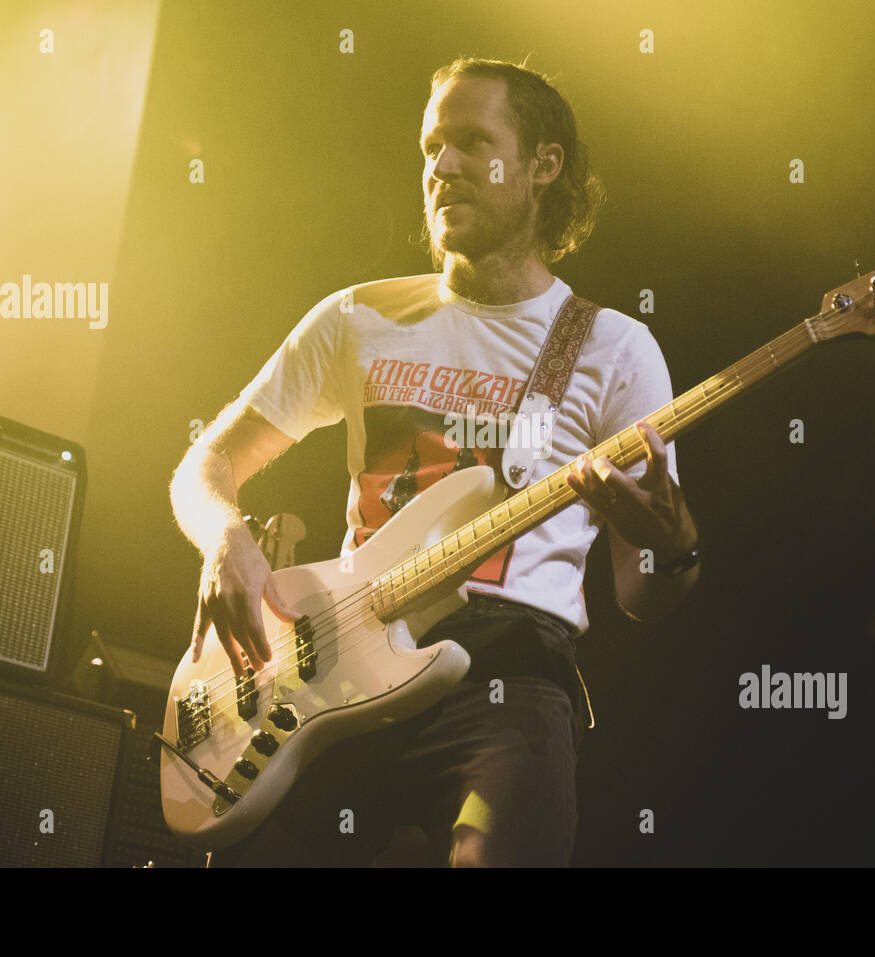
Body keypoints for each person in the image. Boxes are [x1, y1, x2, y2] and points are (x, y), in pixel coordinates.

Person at [169, 57, 700, 867]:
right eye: (431, 148)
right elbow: (205, 462)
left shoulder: (613, 347)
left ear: (542, 165)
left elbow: (642, 592)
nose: (442, 167)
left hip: (510, 679)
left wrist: (671, 544)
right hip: (339, 662)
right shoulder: (359, 316)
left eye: (471, 143)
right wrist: (223, 537)